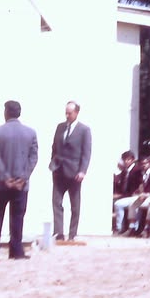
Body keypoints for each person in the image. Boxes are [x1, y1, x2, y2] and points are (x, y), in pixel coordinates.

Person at [0, 100, 39, 261]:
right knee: (18, 216)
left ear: (6, 112)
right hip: (21, 184)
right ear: (19, 113)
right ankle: (16, 251)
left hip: (1, 183)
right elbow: (33, 157)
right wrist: (23, 177)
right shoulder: (30, 132)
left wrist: (6, 177)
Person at [49, 100, 91, 243]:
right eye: (66, 112)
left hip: (74, 173)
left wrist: (82, 171)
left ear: (76, 113)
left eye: (70, 113)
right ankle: (58, 233)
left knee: (75, 204)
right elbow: (54, 146)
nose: (67, 115)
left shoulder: (84, 130)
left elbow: (86, 152)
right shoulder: (60, 127)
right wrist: (53, 163)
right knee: (56, 202)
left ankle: (72, 233)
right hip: (59, 170)